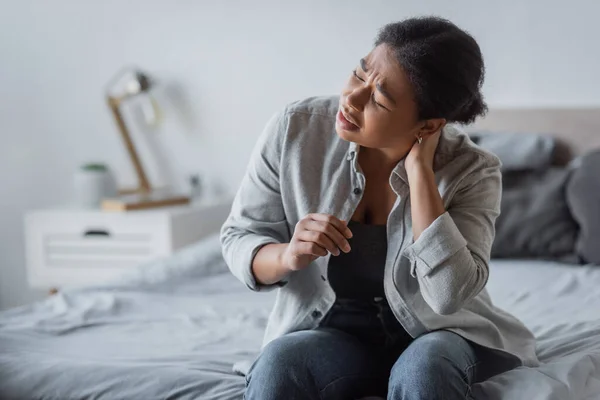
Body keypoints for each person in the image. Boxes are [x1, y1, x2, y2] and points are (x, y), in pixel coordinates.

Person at [221, 16, 538, 400]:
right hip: (334, 334)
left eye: (379, 99)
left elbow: (448, 295)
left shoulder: (474, 171)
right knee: (279, 365)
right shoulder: (295, 130)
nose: (351, 99)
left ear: (428, 125)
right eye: (359, 74)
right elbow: (240, 236)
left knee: (425, 370)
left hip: (438, 334)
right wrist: (288, 255)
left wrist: (420, 171)